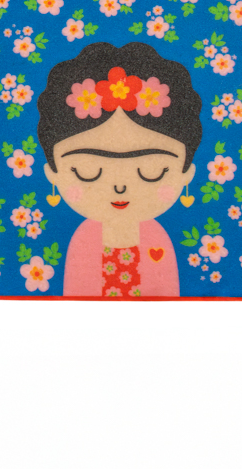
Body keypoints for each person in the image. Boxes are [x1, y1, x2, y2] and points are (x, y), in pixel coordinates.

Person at [38, 40, 202, 296]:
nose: (119, 186)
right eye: (88, 172)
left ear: (186, 173)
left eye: (151, 172)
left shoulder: (158, 240)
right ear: (53, 173)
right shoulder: (83, 242)